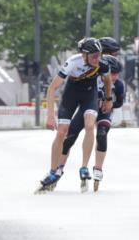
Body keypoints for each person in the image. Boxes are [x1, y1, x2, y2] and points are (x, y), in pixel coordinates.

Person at [36, 37, 113, 193]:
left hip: (89, 96)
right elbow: (52, 88)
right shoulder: (73, 62)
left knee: (90, 125)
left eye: (99, 54)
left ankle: (84, 167)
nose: (97, 58)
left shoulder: (102, 64)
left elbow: (107, 80)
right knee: (61, 133)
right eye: (93, 56)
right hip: (70, 95)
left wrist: (108, 98)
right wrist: (50, 115)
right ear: (84, 55)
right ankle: (52, 171)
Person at [56, 39, 125, 191]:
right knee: (71, 137)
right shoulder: (93, 70)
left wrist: (110, 102)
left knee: (101, 134)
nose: (114, 77)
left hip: (104, 112)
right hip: (89, 107)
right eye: (114, 54)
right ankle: (59, 167)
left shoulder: (117, 82)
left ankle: (98, 169)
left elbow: (119, 101)